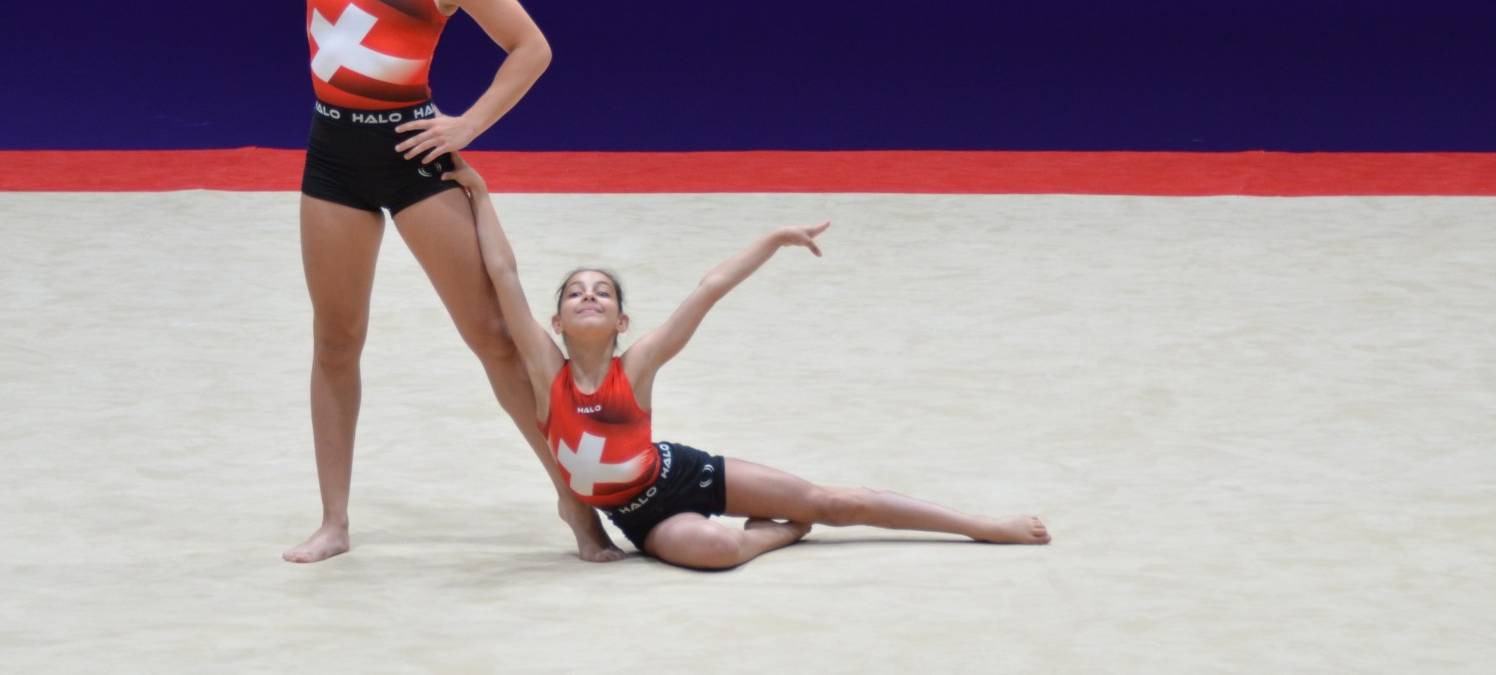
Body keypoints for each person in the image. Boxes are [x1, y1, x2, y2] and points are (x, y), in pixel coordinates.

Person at [195, 0, 621, 564]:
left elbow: (532, 48)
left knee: (495, 339)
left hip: (416, 157)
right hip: (334, 161)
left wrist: (464, 127)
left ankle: (573, 504)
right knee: (336, 340)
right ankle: (335, 521)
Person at [445, 157, 1052, 569]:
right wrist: (482, 194)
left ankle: (981, 525)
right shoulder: (543, 366)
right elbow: (503, 274)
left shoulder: (639, 365)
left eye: (602, 292)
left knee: (833, 503)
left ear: (622, 322)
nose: (588, 297)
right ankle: (778, 534)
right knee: (715, 550)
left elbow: (707, 290)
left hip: (679, 475)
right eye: (575, 292)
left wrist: (772, 240)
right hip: (641, 515)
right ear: (555, 322)